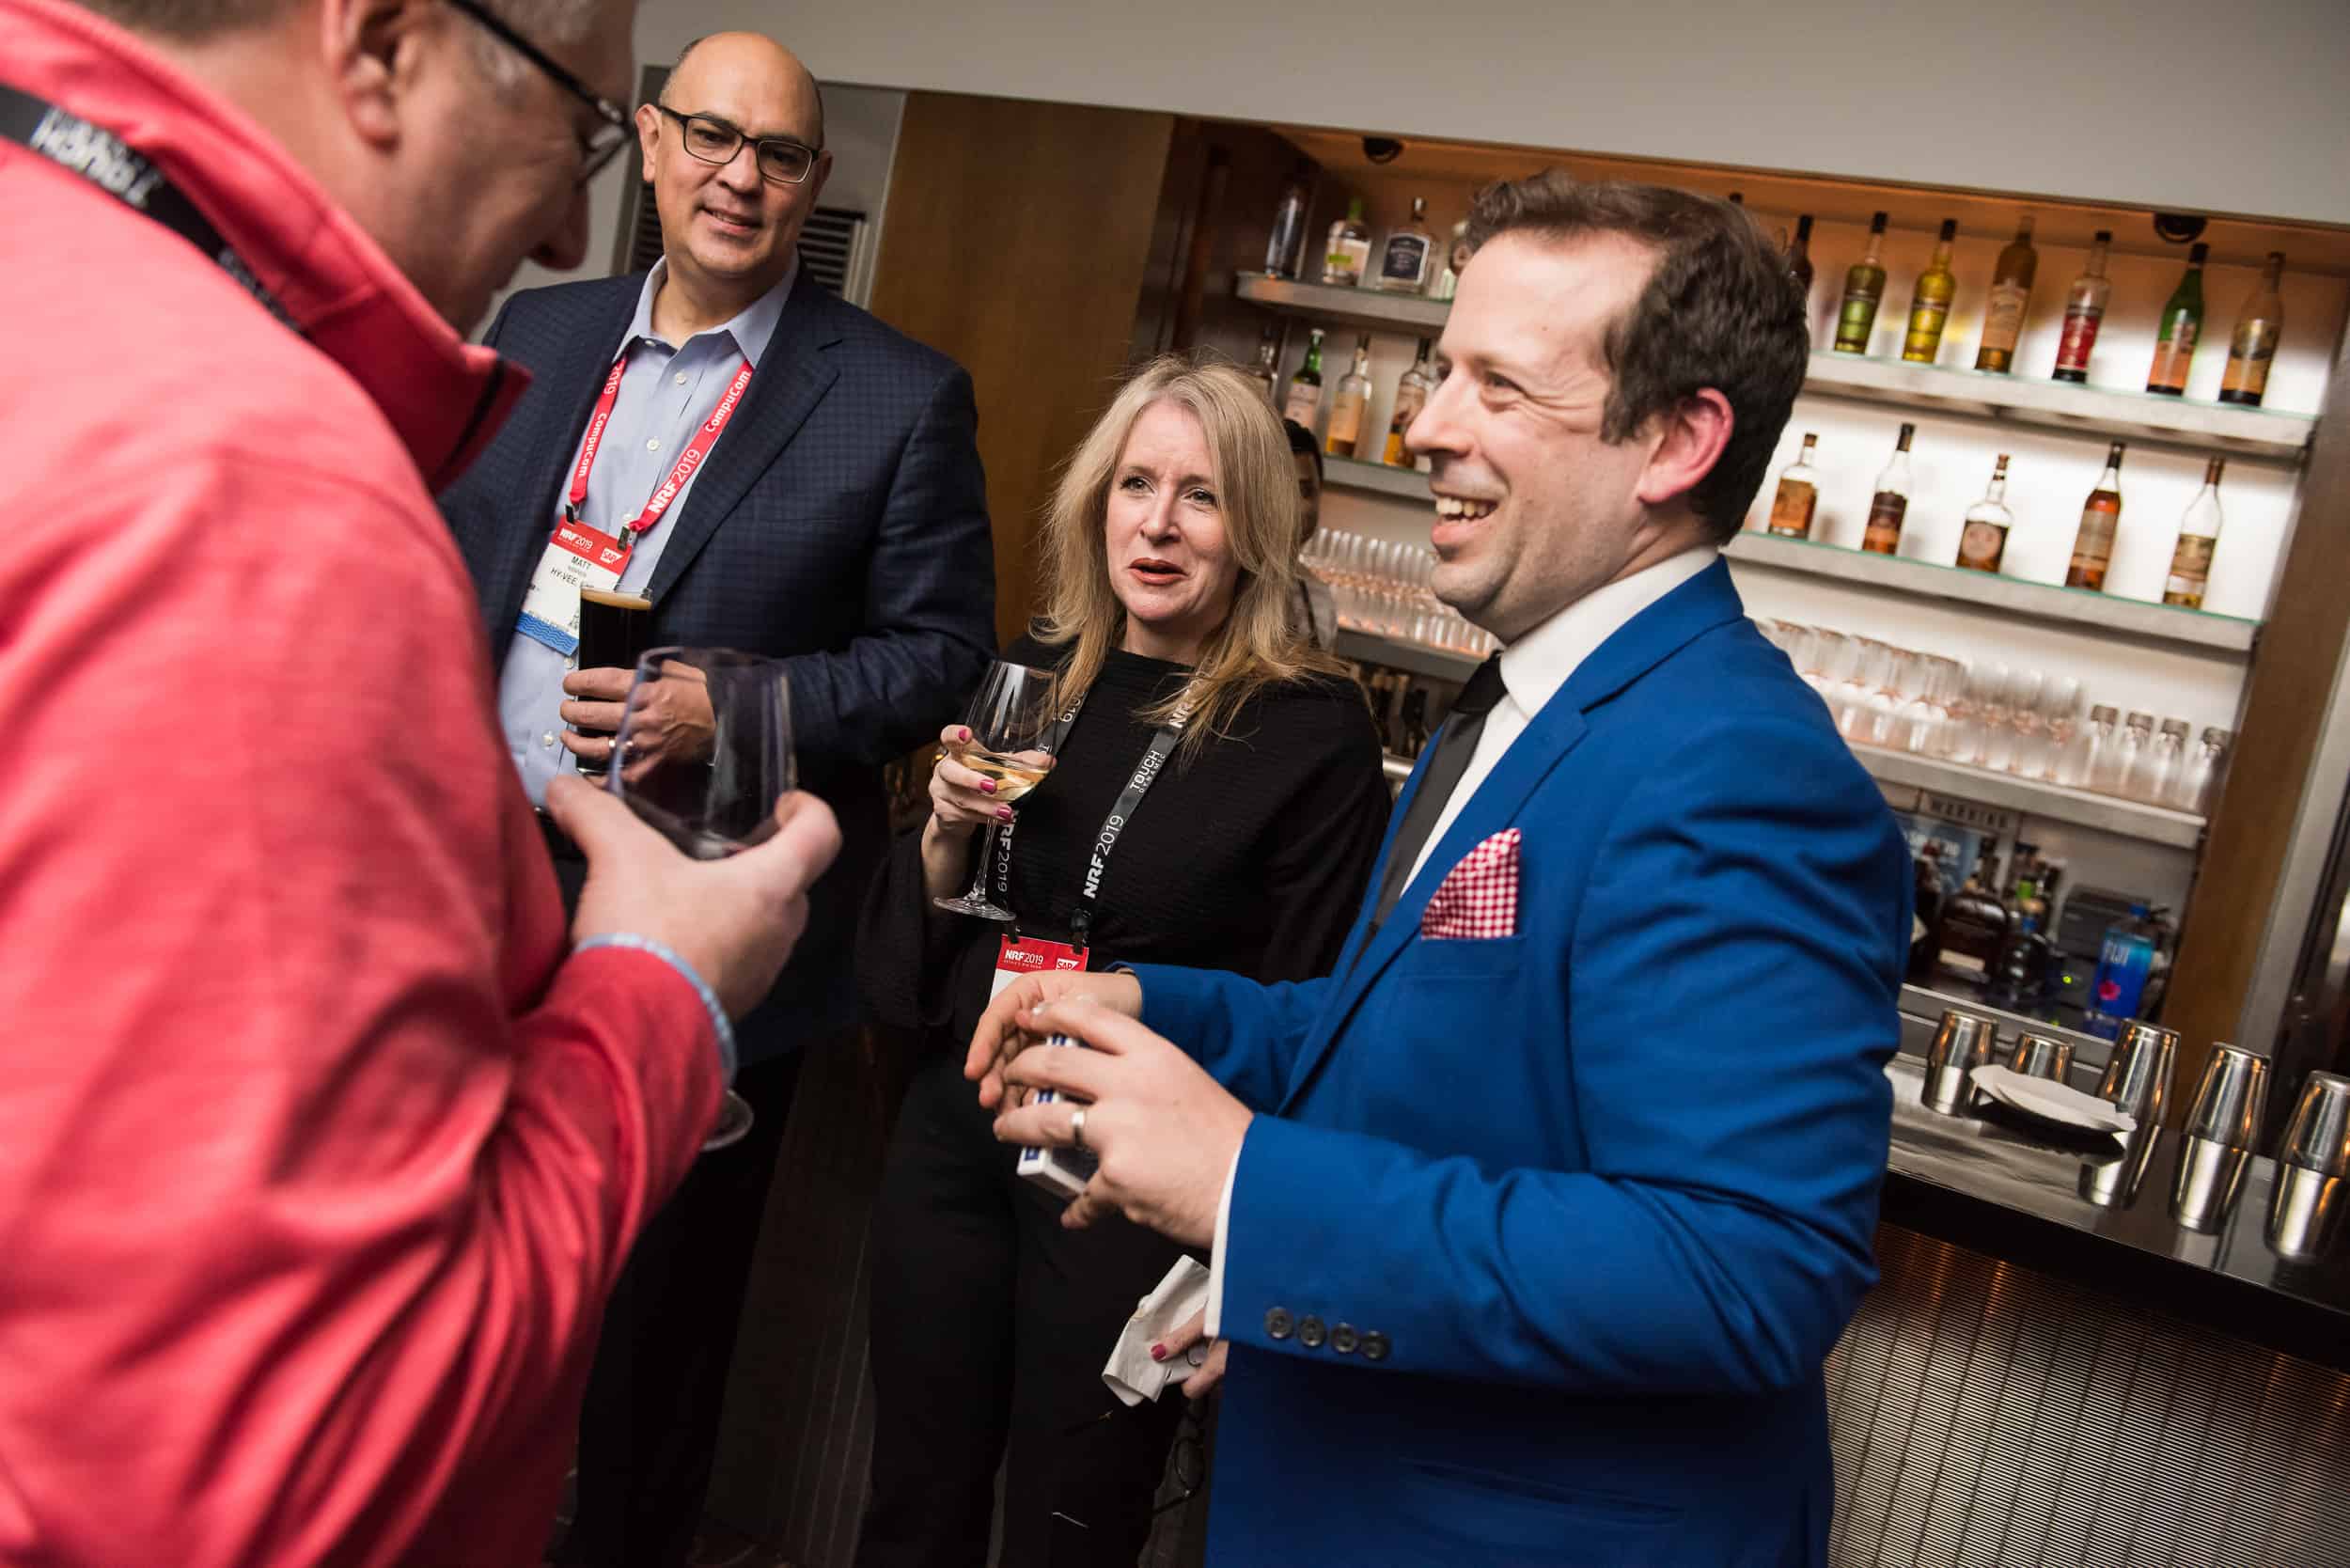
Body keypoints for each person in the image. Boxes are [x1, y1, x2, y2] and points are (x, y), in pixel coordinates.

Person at [0, 0, 839, 1564]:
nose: (558, 224)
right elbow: (278, 1462)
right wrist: (663, 986)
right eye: (586, 128)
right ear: (379, 43)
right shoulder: (251, 483)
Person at [974, 175, 1912, 1563]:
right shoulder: (1522, 702)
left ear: (1676, 440)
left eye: (1498, 388)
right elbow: (1391, 1032)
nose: (1426, 427)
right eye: (1439, 373)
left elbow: (1746, 1267)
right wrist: (1157, 1009)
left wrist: (1248, 1187)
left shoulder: (1735, 765)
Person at [434, 30, 995, 1568]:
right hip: (467, 892)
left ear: (813, 186)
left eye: (784, 155)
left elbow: (947, 653)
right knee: (449, 1275)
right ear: (655, 140)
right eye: (715, 136)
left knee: (650, 1337)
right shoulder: (539, 330)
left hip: (701, 925)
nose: (744, 175)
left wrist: (734, 698)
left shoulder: (893, 399)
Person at [854, 357, 1391, 1567]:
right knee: (915, 1492)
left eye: (1198, 496)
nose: (1155, 523)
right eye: (1134, 484)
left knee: (1071, 1517)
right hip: (962, 1124)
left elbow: (1308, 1013)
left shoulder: (1312, 730)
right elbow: (935, 931)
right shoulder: (1044, 665)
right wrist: (943, 828)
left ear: (1253, 524)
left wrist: (1235, 1241)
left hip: (1127, 1176)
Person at [1282, 416, 1338, 650]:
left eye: (1305, 491)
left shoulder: (1319, 599)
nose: (1293, 505)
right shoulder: (1214, 591)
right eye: (1281, 489)